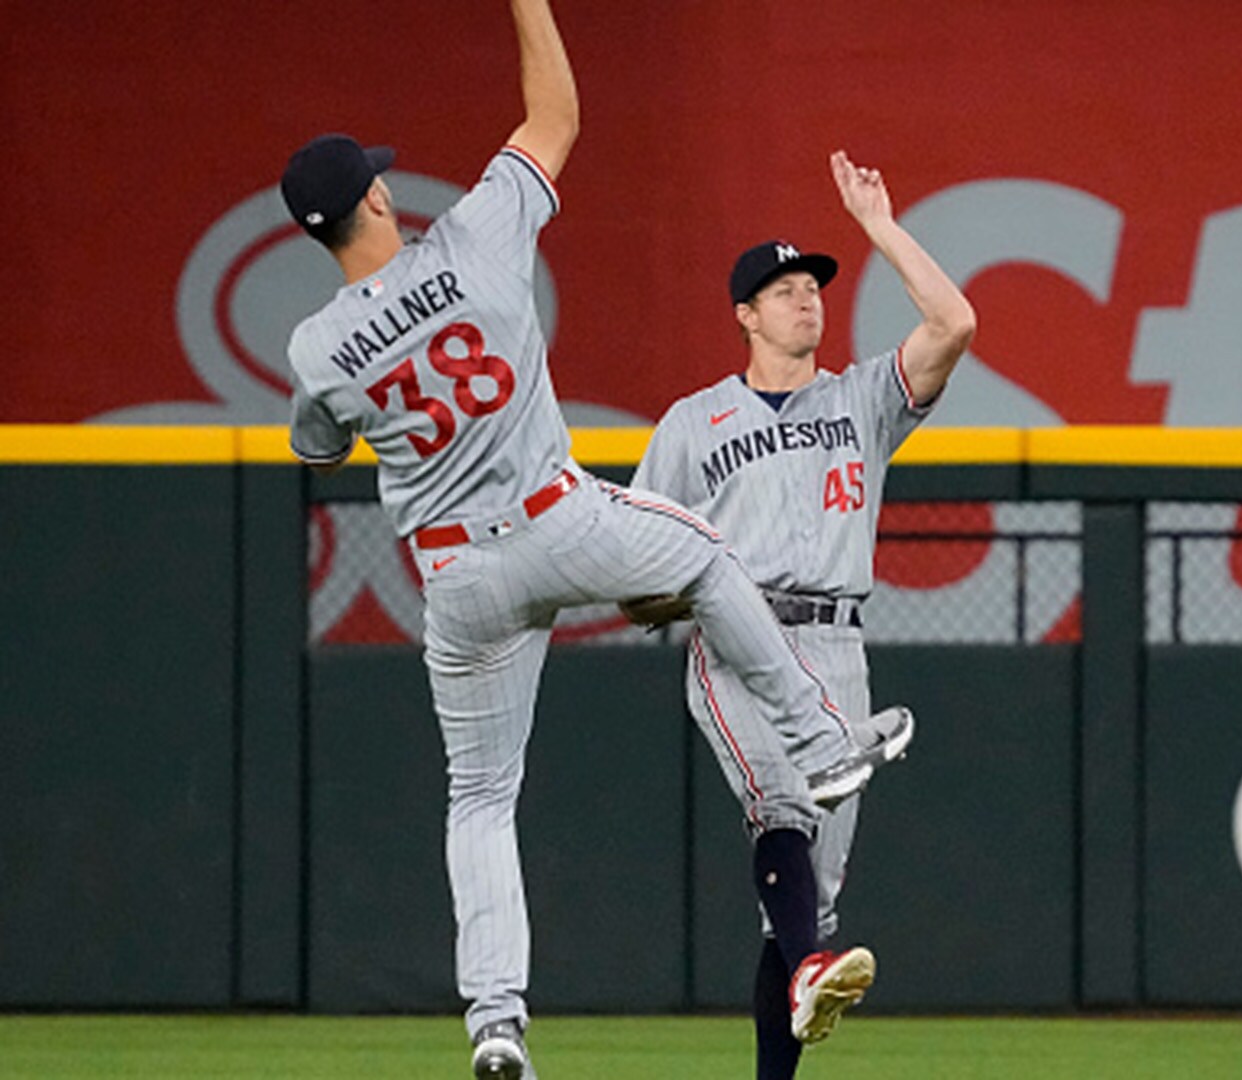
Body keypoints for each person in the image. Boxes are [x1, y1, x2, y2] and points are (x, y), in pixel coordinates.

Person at [278, 4, 888, 1077]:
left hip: (456, 576)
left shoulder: (316, 345)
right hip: (557, 520)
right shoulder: (474, 232)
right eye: (379, 180)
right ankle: (824, 742)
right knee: (706, 554)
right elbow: (555, 114)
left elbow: (318, 448)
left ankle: (497, 1021)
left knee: (478, 797)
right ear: (376, 198)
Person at [628, 151, 974, 1079]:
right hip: (739, 644)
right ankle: (813, 966)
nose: (804, 301)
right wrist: (702, 591)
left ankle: (800, 992)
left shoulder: (861, 400)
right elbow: (635, 582)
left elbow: (956, 322)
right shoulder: (692, 424)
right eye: (781, 290)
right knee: (779, 805)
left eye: (811, 287)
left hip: (838, 647)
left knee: (806, 912)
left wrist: (880, 229)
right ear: (744, 314)